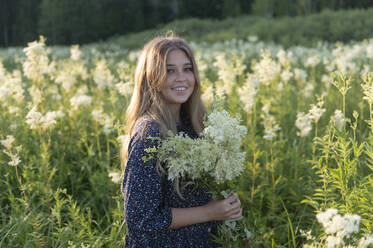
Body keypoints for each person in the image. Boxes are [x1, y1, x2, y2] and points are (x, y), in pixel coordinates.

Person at [121, 35, 242, 247]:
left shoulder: (194, 124)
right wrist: (209, 212)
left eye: (187, 69)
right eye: (169, 70)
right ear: (151, 77)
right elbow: (141, 218)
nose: (181, 78)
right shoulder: (149, 132)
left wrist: (225, 205)